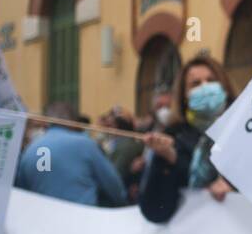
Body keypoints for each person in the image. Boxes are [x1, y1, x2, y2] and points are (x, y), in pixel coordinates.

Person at [139, 55, 237, 223]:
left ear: (224, 87)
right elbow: (155, 211)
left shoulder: (242, 128)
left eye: (211, 80)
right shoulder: (173, 136)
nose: (205, 87)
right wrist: (168, 158)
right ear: (184, 95)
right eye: (195, 84)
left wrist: (233, 189)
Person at [15, 101, 127, 207]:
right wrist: (123, 203)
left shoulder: (30, 150)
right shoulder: (86, 145)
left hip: (44, 220)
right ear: (74, 122)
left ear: (45, 123)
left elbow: (22, 192)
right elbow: (113, 184)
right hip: (82, 219)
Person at [98, 106, 144, 203]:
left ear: (117, 127)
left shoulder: (127, 145)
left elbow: (117, 172)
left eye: (110, 125)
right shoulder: (117, 142)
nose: (107, 128)